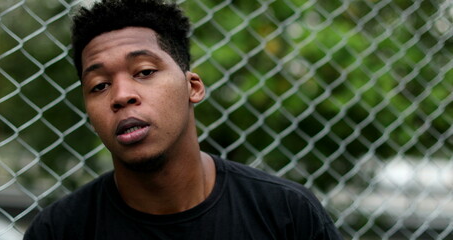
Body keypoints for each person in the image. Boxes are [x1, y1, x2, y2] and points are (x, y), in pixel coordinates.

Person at [24, 0, 343, 239]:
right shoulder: (59, 231)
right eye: (100, 85)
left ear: (192, 87)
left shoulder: (286, 213)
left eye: (145, 72)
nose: (121, 95)